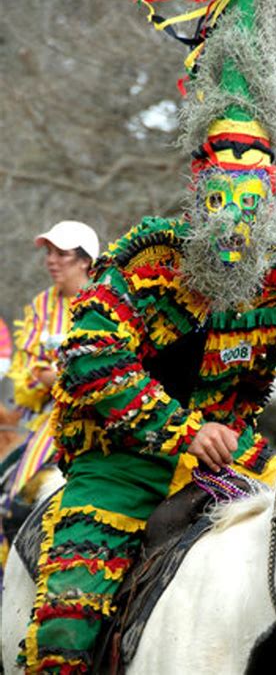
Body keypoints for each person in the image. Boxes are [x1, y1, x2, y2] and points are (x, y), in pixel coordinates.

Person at [19, 0, 276, 672]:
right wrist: (189, 430)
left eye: (251, 207)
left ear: (272, 198)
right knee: (65, 635)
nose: (236, 227)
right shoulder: (145, 262)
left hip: (240, 470)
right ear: (198, 189)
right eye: (222, 201)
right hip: (121, 467)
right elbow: (92, 361)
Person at [0, 221, 99, 573]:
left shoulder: (103, 302)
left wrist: (64, 376)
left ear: (85, 261)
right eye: (49, 253)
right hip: (42, 421)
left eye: (62, 254)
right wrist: (41, 380)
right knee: (9, 499)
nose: (51, 261)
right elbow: (24, 375)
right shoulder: (40, 306)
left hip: (95, 422)